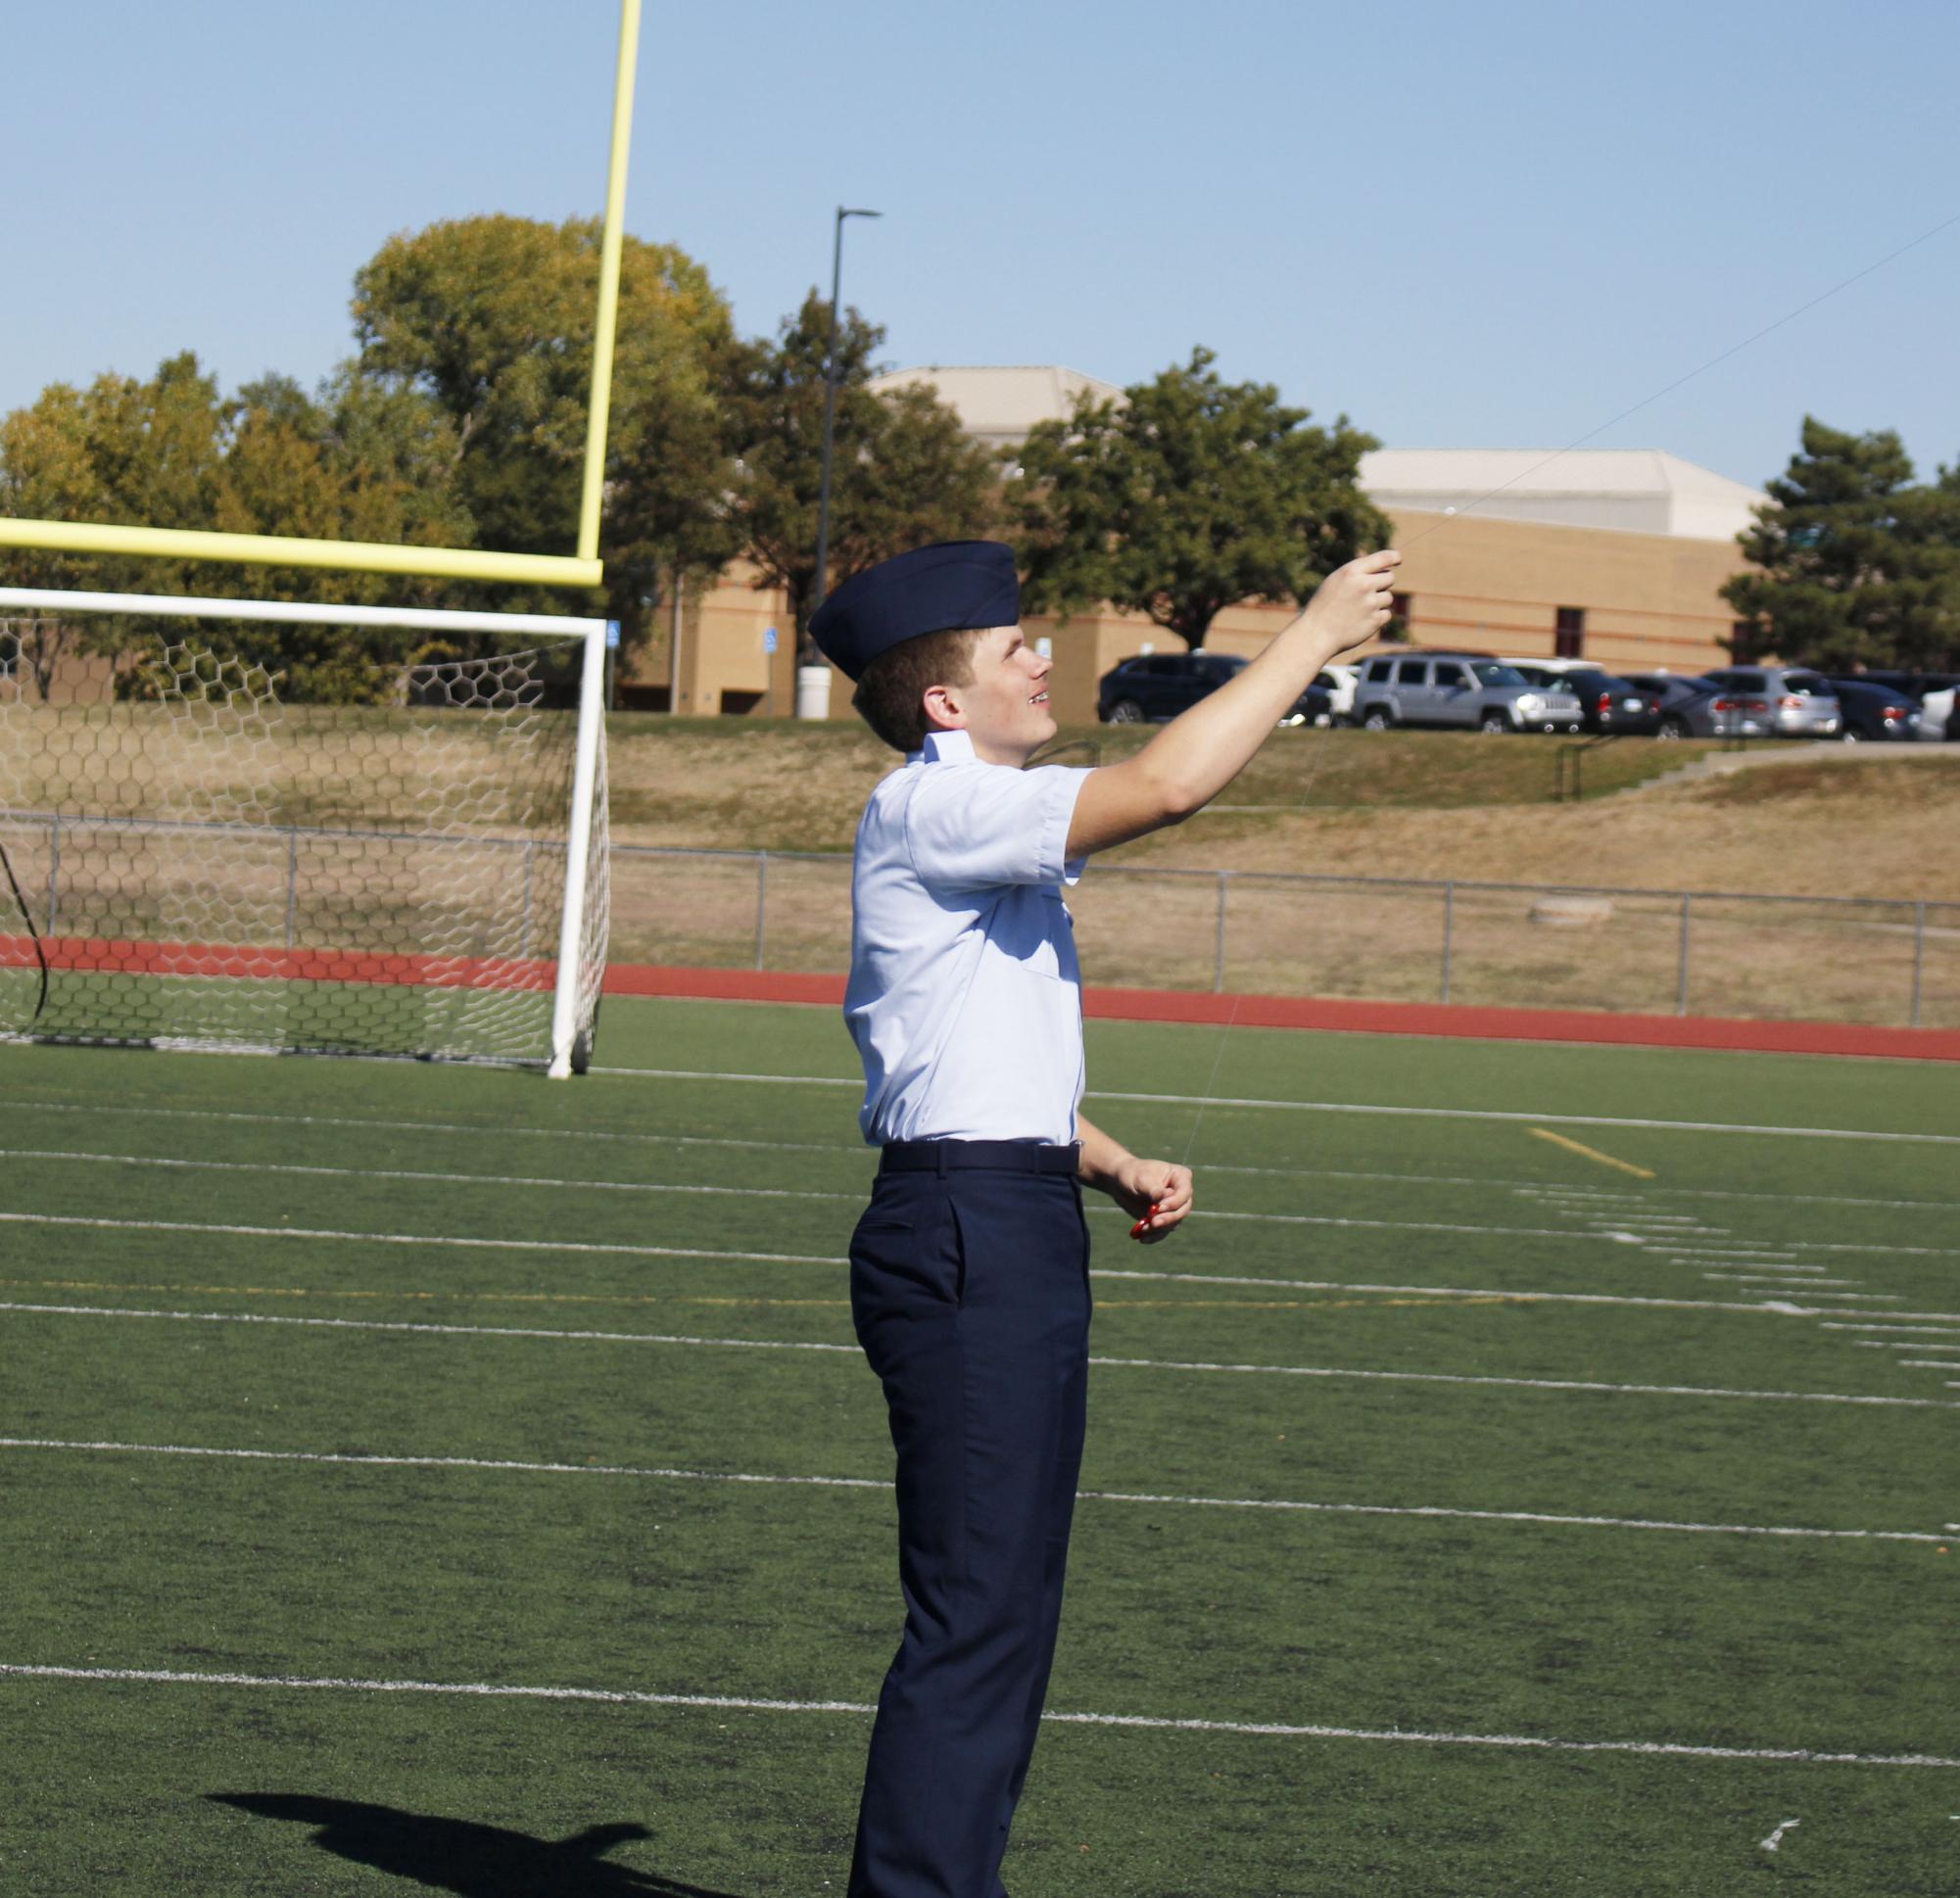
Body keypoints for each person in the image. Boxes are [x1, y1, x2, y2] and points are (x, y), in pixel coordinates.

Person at [811, 538, 1400, 1898]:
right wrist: (1305, 639)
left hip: (1004, 1210)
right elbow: (1170, 783)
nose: (1037, 657)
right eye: (1008, 645)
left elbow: (963, 1052)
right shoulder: (937, 805)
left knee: (1003, 1611)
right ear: (944, 702)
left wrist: (1108, 1159)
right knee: (975, 1615)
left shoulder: (972, 811)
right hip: (967, 1232)